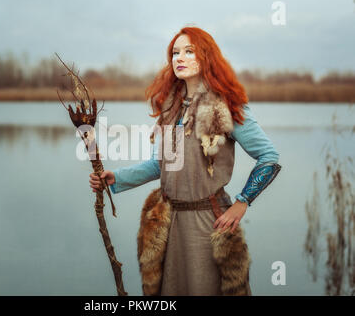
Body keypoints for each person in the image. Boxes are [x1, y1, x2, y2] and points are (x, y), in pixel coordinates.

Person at [89, 27, 281, 296]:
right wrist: (117, 178)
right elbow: (162, 165)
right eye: (175, 53)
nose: (179, 57)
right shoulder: (172, 107)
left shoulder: (227, 106)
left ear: (206, 57)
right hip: (168, 223)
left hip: (208, 223)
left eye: (189, 51)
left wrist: (242, 202)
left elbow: (269, 159)